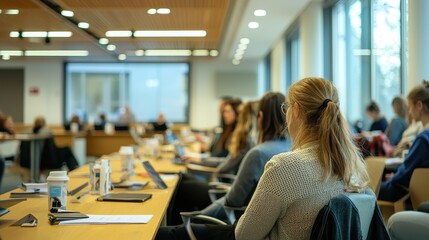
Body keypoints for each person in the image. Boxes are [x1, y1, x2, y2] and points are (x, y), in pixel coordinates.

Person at [156, 77, 369, 239]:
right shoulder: (350, 166)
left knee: (164, 234)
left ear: (296, 111)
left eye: (286, 108)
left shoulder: (285, 167)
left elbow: (244, 235)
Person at [167, 101, 257, 225]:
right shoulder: (247, 140)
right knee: (181, 178)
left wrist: (199, 162)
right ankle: (180, 226)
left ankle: (179, 226)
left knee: (182, 187)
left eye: (227, 111)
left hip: (223, 187)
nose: (223, 114)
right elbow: (223, 161)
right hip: (225, 186)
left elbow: (223, 167)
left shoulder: (245, 140)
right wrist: (199, 160)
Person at [379, 81, 429, 201]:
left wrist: (394, 176)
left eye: (410, 107)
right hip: (417, 190)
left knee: (369, 188)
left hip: (406, 190)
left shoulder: (423, 138)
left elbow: (406, 171)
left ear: (419, 106)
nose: (409, 112)